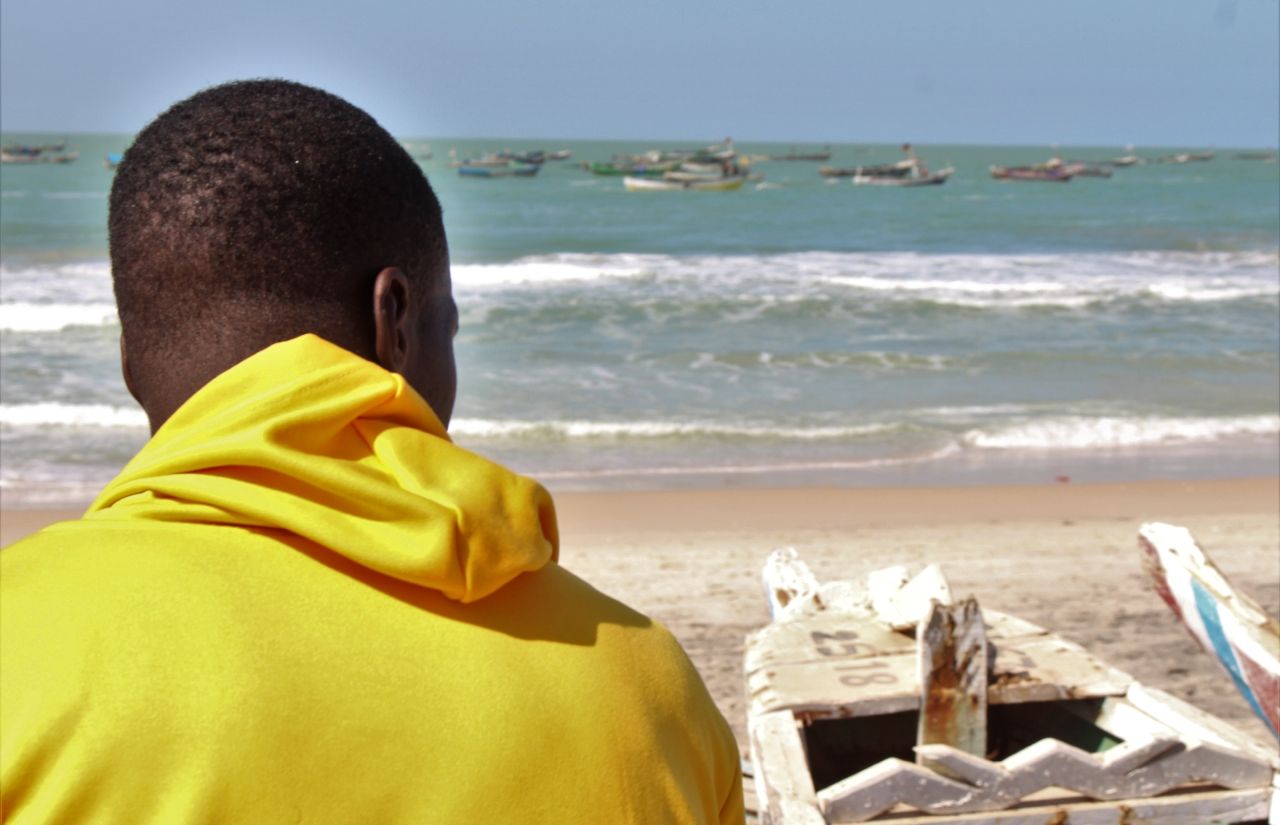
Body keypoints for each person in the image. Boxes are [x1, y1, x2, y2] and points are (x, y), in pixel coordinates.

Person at [0, 79, 745, 824]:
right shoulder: (648, 687)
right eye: (446, 326)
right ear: (393, 319)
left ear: (131, 361)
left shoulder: (19, 641)